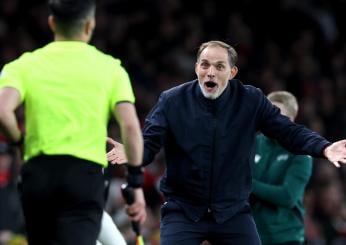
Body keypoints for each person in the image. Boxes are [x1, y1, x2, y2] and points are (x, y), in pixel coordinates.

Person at [107, 40, 346, 245]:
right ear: (196, 68)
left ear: (232, 73)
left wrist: (323, 147)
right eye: (205, 65)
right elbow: (150, 143)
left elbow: (289, 132)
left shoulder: (250, 101)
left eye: (219, 66)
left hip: (232, 212)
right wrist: (132, 151)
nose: (210, 72)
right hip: (183, 210)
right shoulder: (172, 100)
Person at [0, 0, 145, 244]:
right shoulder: (111, 68)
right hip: (84, 177)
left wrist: (18, 141)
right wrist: (136, 183)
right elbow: (130, 127)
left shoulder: (24, 64)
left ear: (52, 23)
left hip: (38, 175)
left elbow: (3, 110)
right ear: (90, 25)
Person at [251, 91, 312, 245]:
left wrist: (249, 184)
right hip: (251, 236)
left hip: (285, 238)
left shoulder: (301, 151)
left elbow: (287, 196)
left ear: (291, 119)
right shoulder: (252, 144)